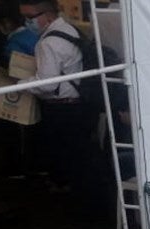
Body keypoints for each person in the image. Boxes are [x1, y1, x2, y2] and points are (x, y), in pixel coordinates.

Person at [17, 0, 98, 211]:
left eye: (30, 17)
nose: (26, 22)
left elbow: (47, 84)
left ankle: (70, 202)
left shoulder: (48, 43)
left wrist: (22, 84)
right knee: (78, 155)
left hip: (61, 108)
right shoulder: (70, 30)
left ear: (48, 15)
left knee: (64, 155)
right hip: (80, 103)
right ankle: (83, 199)